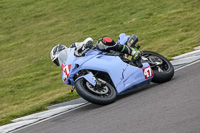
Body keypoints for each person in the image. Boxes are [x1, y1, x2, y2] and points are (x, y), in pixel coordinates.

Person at [50, 34, 142, 68]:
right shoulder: (71, 66)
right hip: (99, 63)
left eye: (59, 60)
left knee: (102, 42)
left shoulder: (74, 47)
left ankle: (133, 52)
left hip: (100, 53)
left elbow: (88, 40)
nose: (60, 63)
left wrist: (86, 45)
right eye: (57, 62)